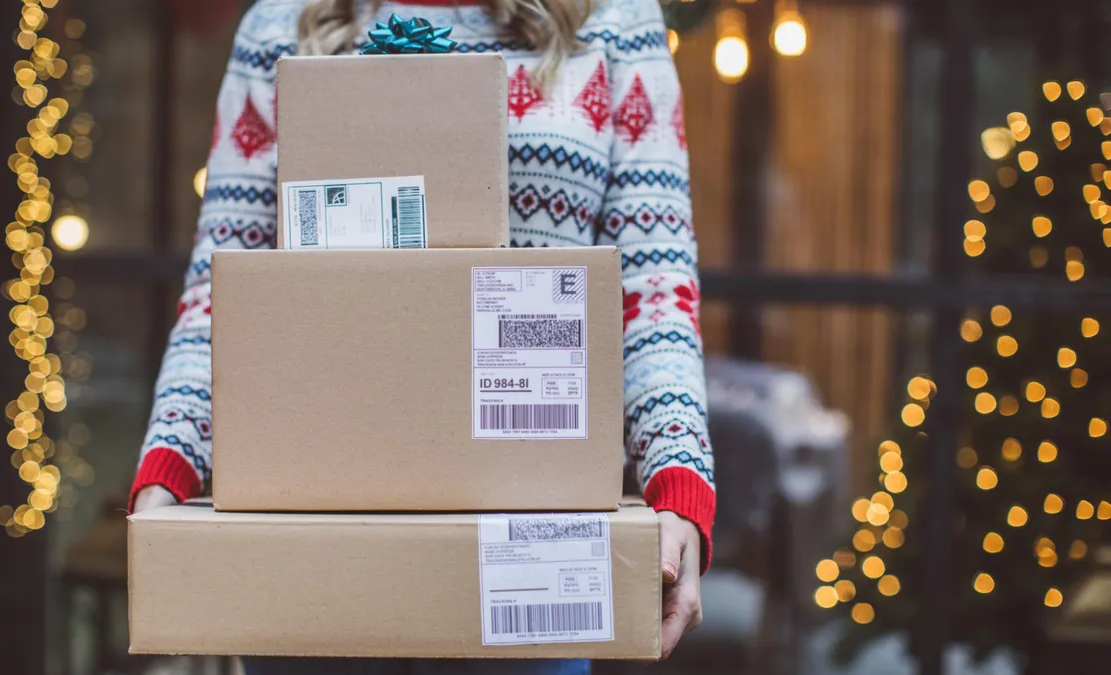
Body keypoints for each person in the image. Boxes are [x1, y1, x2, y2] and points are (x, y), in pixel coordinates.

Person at [129, 0, 716, 671]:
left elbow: (653, 285)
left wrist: (679, 479)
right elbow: (223, 283)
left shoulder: (613, 18)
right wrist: (169, 462)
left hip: (527, 528)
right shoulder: (283, 23)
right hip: (315, 525)